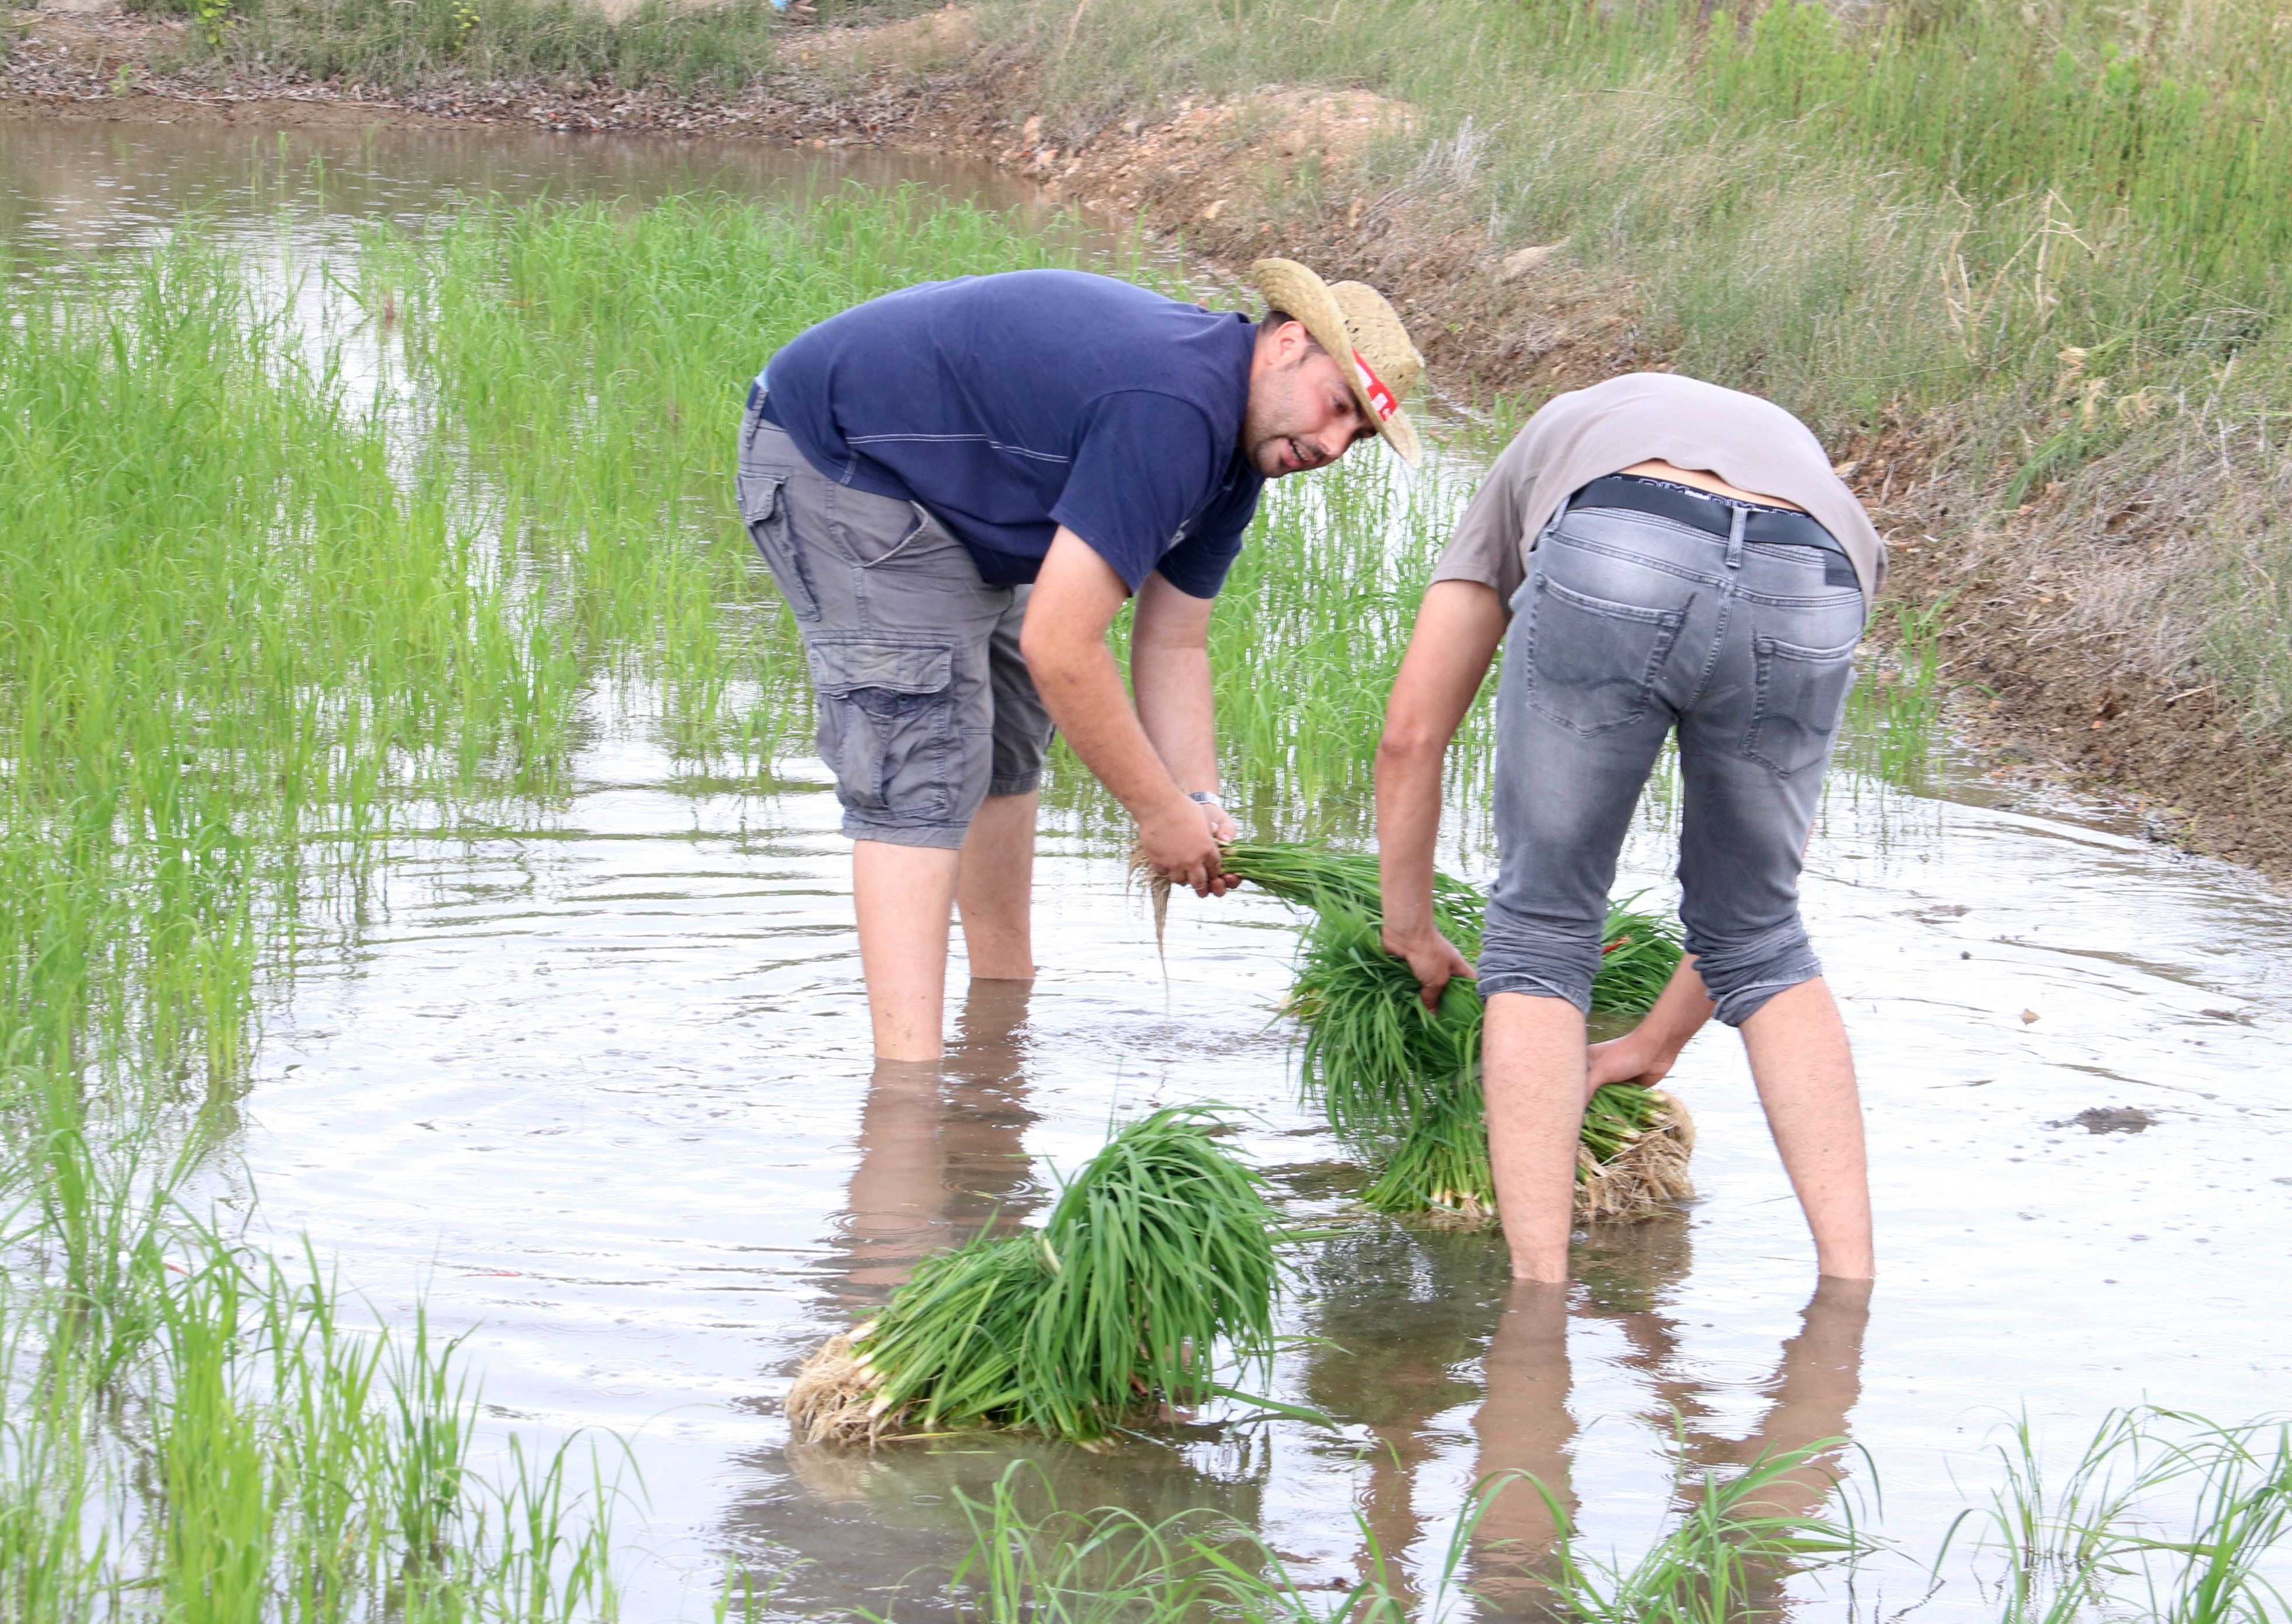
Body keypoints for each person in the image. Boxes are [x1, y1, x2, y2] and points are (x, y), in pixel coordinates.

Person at [741, 260, 1427, 1061]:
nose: (1334, 445)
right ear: (1285, 342)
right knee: (920, 759)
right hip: (842, 456)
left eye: (1361, 437)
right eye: (1339, 406)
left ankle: (1000, 1021)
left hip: (962, 496)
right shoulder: (1174, 408)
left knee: (1005, 728)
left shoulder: (1237, 459)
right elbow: (1062, 647)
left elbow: (1174, 640)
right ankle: (910, 1095)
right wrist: (1158, 813)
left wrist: (1196, 795)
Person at [1373, 373, 1885, 1282]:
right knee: (1766, 937)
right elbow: (1757, 893)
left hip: (1617, 534)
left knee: (1542, 926)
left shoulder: (1547, 442)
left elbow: (1411, 733)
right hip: (1816, 562)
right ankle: (1850, 1294)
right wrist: (1657, 1041)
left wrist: (1409, 925)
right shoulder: (1809, 475)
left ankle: (1539, 1307)